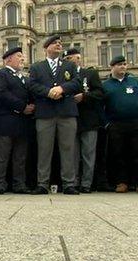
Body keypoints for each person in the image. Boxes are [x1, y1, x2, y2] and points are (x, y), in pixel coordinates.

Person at [29, 35, 82, 195]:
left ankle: (69, 183)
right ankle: (42, 183)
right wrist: (48, 92)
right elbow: (32, 85)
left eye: (60, 44)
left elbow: (77, 82)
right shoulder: (37, 67)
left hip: (66, 112)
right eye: (54, 43)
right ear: (46, 48)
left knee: (68, 148)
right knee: (44, 150)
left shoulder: (69, 65)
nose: (59, 45)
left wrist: (62, 89)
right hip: (45, 114)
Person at [102, 55, 138, 193]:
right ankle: (121, 182)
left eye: (124, 64)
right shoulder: (106, 85)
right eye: (119, 64)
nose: (123, 67)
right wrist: (106, 123)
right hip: (115, 124)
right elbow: (100, 106)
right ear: (112, 67)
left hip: (136, 123)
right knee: (118, 154)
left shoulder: (134, 82)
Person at [0, 47, 34, 194]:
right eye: (19, 56)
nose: (22, 58)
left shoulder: (25, 77)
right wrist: (22, 107)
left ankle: (19, 184)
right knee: (1, 156)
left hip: (22, 123)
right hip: (4, 123)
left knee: (20, 156)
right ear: (8, 59)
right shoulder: (0, 74)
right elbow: (2, 94)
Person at [63, 48, 104, 194]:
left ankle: (87, 183)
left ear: (78, 58)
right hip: (70, 118)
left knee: (88, 153)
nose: (68, 61)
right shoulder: (64, 76)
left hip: (88, 119)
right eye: (66, 59)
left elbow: (99, 93)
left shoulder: (90, 73)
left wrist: (84, 96)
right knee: (72, 154)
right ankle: (72, 182)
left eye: (71, 58)